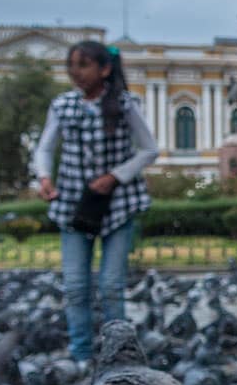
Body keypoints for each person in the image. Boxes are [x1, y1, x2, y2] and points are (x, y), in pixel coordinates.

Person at [35, 41, 158, 363]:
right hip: (75, 204)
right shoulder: (62, 106)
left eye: (83, 65)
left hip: (117, 204)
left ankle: (117, 355)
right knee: (75, 285)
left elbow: (149, 149)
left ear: (104, 69)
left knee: (111, 286)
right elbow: (45, 148)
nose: (76, 72)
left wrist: (116, 176)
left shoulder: (125, 104)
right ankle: (81, 356)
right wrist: (44, 177)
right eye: (72, 65)